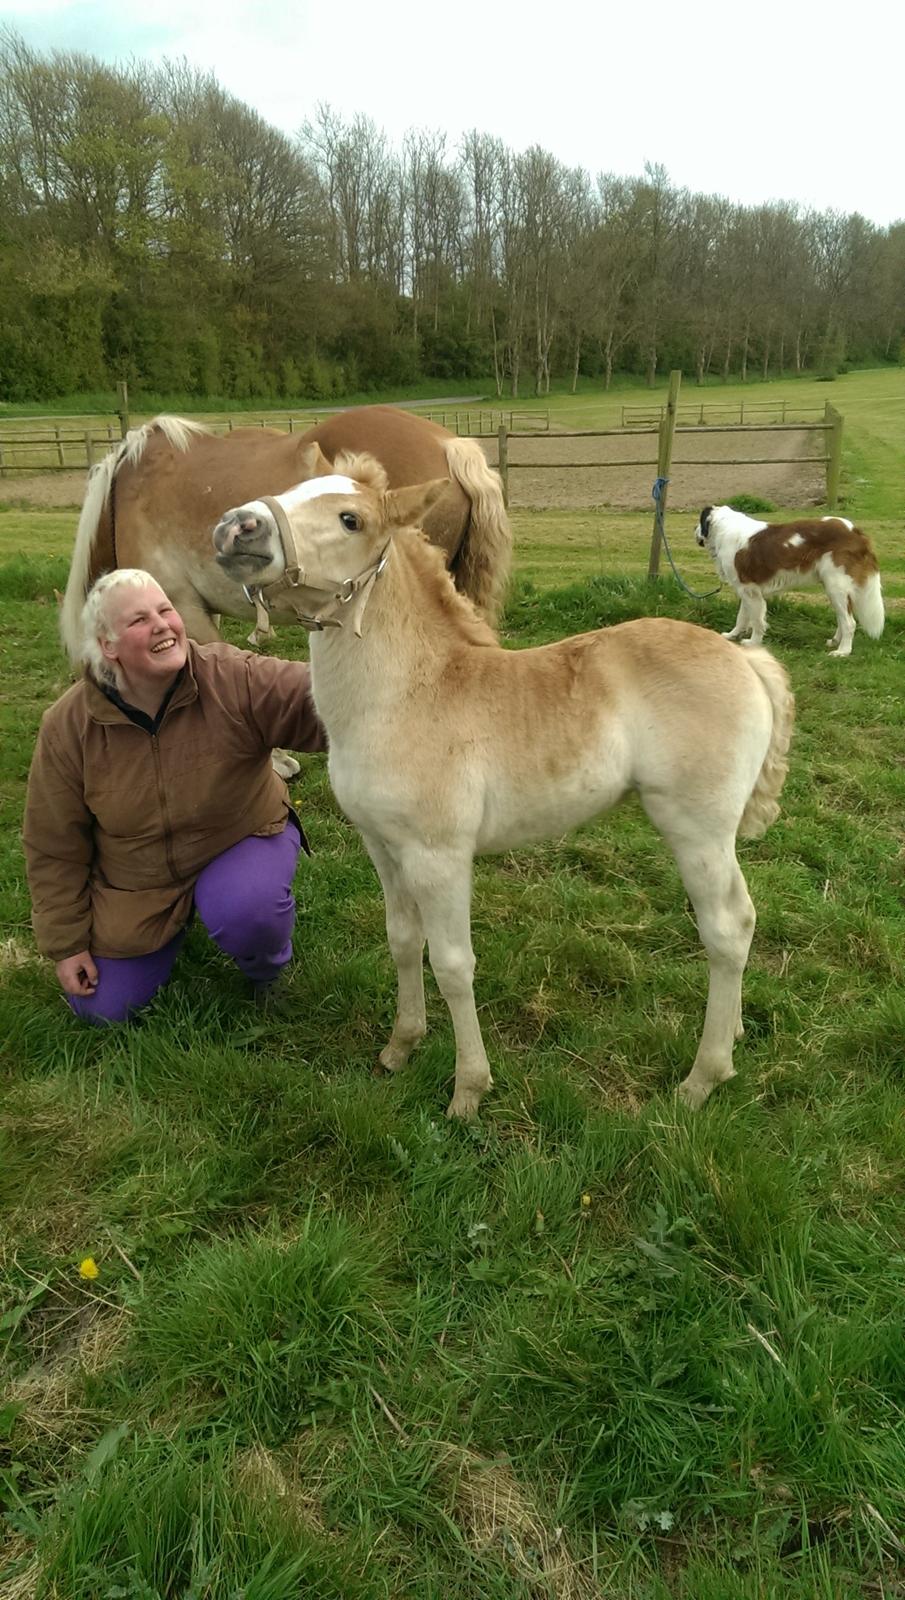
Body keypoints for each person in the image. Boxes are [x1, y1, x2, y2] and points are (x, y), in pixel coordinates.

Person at [22, 568, 326, 1024]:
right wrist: (66, 945)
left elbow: (319, 699)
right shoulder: (67, 728)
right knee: (101, 1009)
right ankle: (170, 924)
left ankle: (266, 969)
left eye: (166, 610)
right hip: (141, 875)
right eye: (140, 620)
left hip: (237, 835)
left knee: (249, 910)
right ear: (108, 646)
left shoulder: (230, 677)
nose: (163, 624)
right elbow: (52, 846)